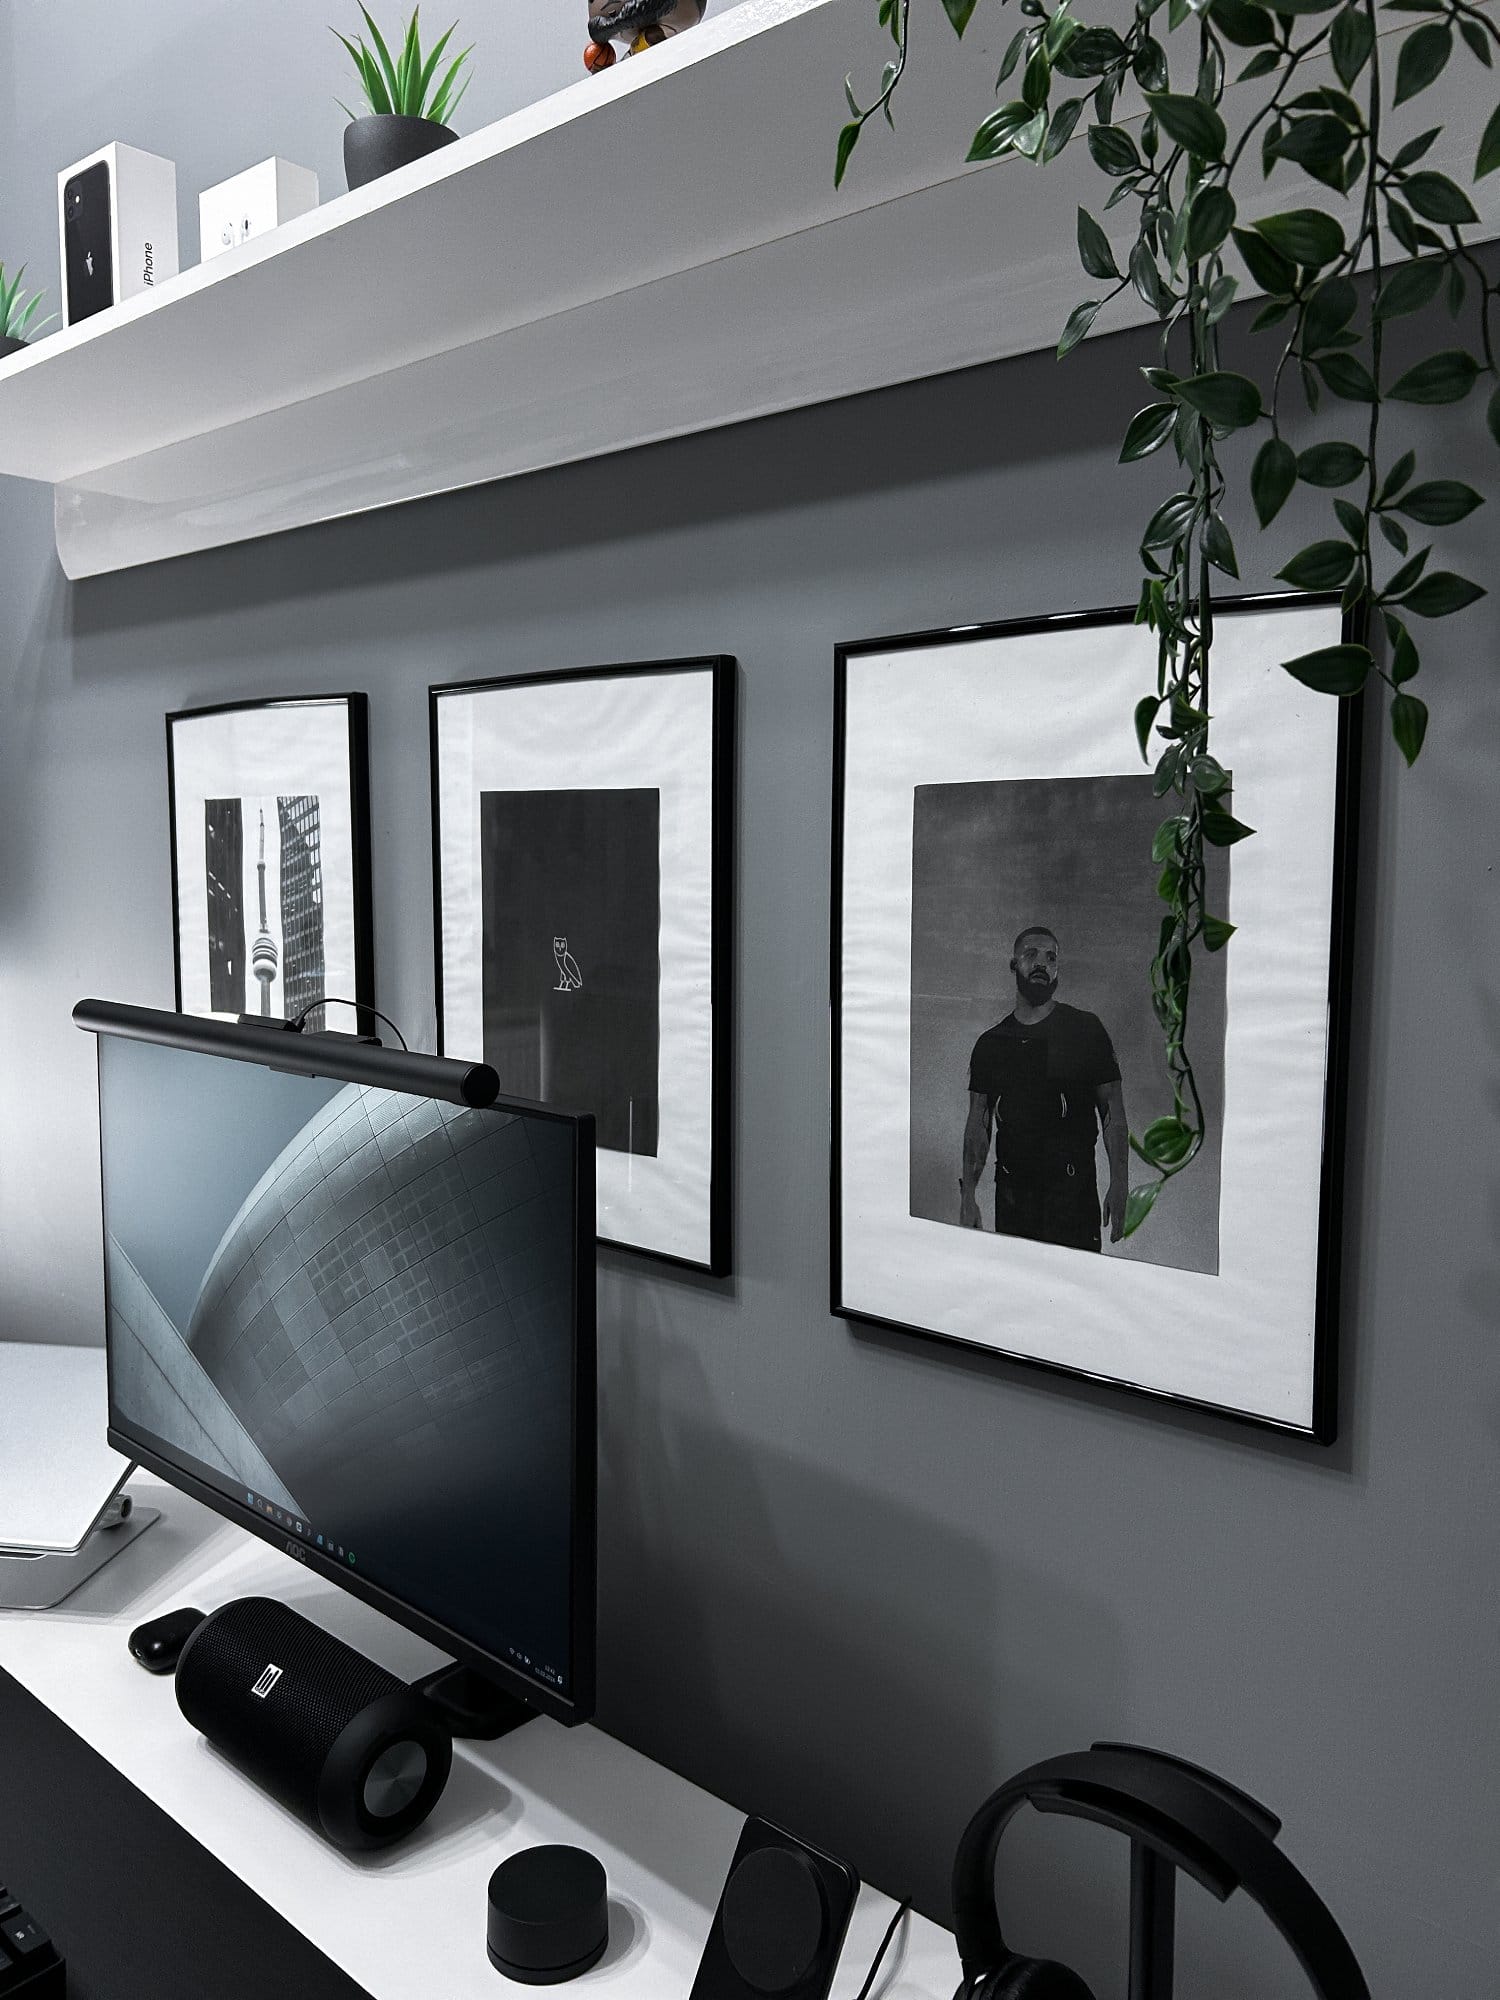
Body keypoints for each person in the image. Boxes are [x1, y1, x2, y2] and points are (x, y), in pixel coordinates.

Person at [958, 926, 1129, 1253]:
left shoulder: (1086, 1030)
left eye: (1051, 958)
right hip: (1013, 1200)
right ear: (1013, 964)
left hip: (1072, 1198)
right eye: (1031, 955)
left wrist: (1120, 1183)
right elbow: (978, 1123)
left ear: (1057, 970)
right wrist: (968, 1196)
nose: (1042, 964)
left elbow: (1113, 1114)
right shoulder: (991, 1044)